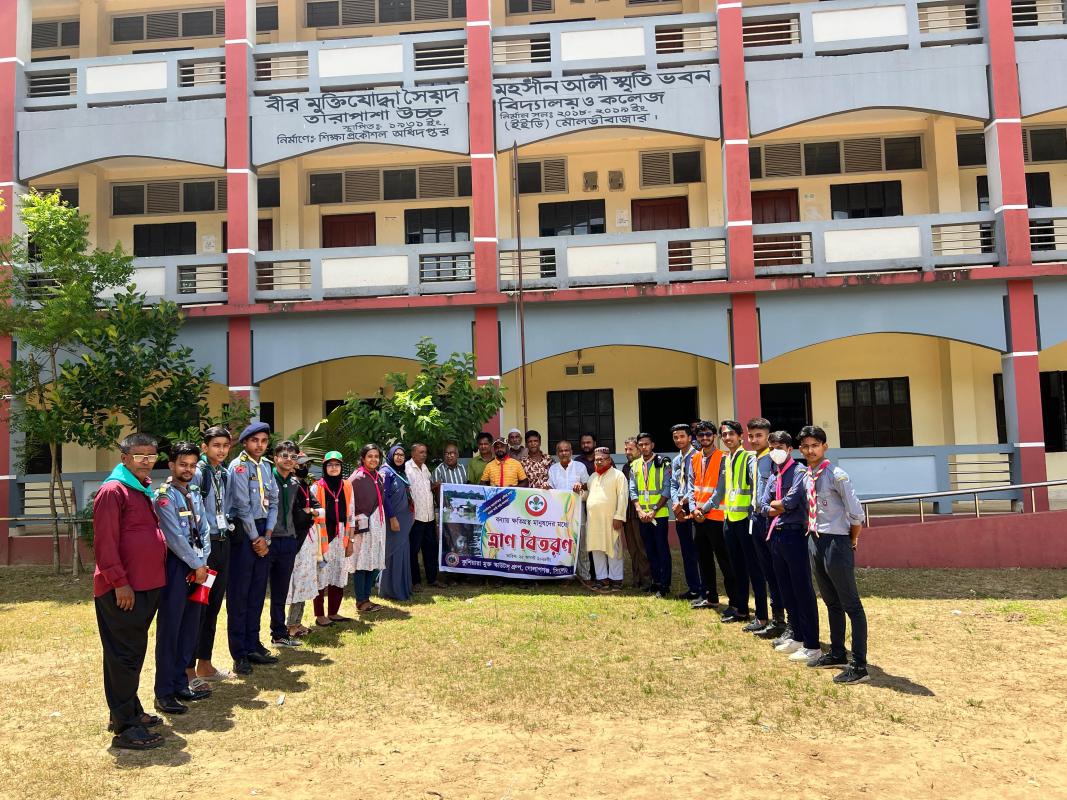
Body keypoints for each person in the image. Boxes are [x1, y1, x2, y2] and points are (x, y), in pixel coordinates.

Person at [93, 433, 169, 750]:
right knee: (123, 655)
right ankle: (125, 727)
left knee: (132, 652)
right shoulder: (113, 491)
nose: (146, 461)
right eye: (139, 455)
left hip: (146, 585)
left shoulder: (140, 487)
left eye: (151, 455)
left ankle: (129, 710)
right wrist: (119, 582)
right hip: (123, 589)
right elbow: (105, 543)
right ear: (124, 457)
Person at [796, 425, 869, 684]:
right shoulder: (806, 475)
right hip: (815, 538)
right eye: (805, 446)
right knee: (830, 601)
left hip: (836, 541)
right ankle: (837, 652)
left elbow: (856, 514)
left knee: (851, 604)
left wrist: (851, 539)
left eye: (815, 445)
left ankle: (859, 665)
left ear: (824, 447)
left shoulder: (837, 475)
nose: (810, 450)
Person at [153, 441, 213, 716]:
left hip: (199, 566)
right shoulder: (164, 496)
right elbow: (174, 537)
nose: (187, 470)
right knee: (171, 630)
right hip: (177, 568)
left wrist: (203, 562)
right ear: (171, 465)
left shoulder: (194, 493)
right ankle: (164, 692)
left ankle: (180, 683)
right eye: (182, 464)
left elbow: (205, 529)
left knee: (190, 626)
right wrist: (196, 564)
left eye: (192, 465)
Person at [762, 431, 822, 663]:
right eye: (771, 447)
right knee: (786, 587)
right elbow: (762, 504)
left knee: (802, 589)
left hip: (794, 534)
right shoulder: (774, 474)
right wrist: (775, 506)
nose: (775, 451)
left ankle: (812, 644)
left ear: (789, 449)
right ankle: (797, 635)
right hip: (776, 534)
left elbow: (792, 501)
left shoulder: (798, 472)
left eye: (779, 447)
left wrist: (775, 505)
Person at [226, 421, 280, 676]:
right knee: (240, 594)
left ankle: (253, 644)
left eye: (264, 441)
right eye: (254, 441)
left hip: (263, 533)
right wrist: (256, 538)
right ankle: (239, 653)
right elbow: (242, 506)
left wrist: (267, 536)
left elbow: (274, 502)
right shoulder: (238, 467)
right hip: (244, 533)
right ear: (245, 443)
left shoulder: (267, 467)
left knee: (258, 591)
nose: (259, 445)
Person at [187, 426, 233, 687]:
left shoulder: (222, 472)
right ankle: (188, 669)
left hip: (222, 542)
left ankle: (205, 663)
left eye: (225, 445)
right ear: (204, 447)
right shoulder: (198, 472)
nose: (221, 450)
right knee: (198, 607)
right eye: (216, 445)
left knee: (213, 605)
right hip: (205, 548)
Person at [713, 419, 769, 627]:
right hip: (730, 520)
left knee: (754, 569)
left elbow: (756, 488)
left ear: (740, 437)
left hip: (746, 521)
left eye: (731, 434)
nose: (727, 438)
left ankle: (761, 616)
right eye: (724, 435)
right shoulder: (726, 459)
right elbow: (723, 490)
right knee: (737, 568)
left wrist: (754, 514)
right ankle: (742, 610)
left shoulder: (749, 458)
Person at [686, 421, 736, 612]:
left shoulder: (723, 458)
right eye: (701, 435)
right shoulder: (694, 458)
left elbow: (721, 489)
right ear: (696, 438)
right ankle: (711, 597)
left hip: (717, 518)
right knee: (703, 558)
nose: (705, 438)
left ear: (715, 436)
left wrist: (703, 509)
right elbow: (691, 486)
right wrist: (693, 509)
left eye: (708, 434)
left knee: (725, 560)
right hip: (698, 518)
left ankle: (734, 602)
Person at [266, 441, 309, 648]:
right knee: (258, 591)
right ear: (275, 458)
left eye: (293, 457)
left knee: (281, 590)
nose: (289, 460)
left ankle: (279, 633)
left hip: (288, 541)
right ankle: (252, 640)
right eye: (284, 456)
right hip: (268, 541)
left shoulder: (294, 483)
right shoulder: (267, 480)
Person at [747, 418, 786, 639]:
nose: (754, 440)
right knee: (766, 570)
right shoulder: (754, 459)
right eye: (751, 436)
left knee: (776, 571)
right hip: (756, 517)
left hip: (769, 519)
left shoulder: (773, 459)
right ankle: (773, 619)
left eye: (759, 436)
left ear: (768, 437)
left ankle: (782, 621)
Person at [311, 451, 355, 625]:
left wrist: (350, 541)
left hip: (342, 534)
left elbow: (351, 514)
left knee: (339, 572)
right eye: (330, 465)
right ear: (324, 467)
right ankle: (320, 615)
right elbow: (312, 516)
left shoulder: (347, 486)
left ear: (341, 467)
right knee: (321, 574)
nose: (334, 468)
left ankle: (334, 612)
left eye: (337, 465)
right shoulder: (317, 487)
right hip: (323, 535)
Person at [628, 432, 673, 598]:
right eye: (641, 445)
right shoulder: (635, 465)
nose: (644, 447)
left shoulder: (663, 462)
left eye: (647, 444)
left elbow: (667, 488)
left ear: (652, 445)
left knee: (662, 549)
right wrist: (639, 510)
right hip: (643, 516)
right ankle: (656, 582)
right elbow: (633, 489)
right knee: (649, 549)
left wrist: (653, 510)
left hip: (658, 514)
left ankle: (665, 584)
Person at [350, 444, 392, 613]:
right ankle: (361, 600)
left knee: (373, 561)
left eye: (376, 456)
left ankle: (367, 598)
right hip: (364, 525)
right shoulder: (357, 478)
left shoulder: (378, 476)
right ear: (363, 458)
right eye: (370, 456)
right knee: (362, 562)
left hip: (377, 523)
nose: (373, 459)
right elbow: (350, 503)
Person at [284, 454, 321, 638]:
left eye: (307, 464)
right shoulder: (291, 486)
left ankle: (297, 622)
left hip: (308, 539)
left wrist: (311, 511)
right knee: (297, 582)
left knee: (305, 581)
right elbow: (297, 515)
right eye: (301, 465)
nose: (305, 467)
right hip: (296, 540)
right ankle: (290, 624)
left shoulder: (305, 485)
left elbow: (319, 508)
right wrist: (310, 513)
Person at [585, 447, 629, 591]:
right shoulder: (592, 477)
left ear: (609, 460)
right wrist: (579, 492)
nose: (599, 462)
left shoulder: (618, 475)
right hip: (594, 521)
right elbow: (589, 495)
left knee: (613, 549)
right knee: (597, 549)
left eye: (602, 459)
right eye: (597, 459)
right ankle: (602, 578)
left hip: (611, 520)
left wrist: (619, 517)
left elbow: (623, 497)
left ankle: (616, 579)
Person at [548, 440, 591, 585]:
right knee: (563, 544)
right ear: (557, 453)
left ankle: (585, 576)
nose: (564, 453)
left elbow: (588, 486)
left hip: (578, 511)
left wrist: (581, 487)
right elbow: (551, 488)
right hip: (560, 513)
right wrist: (547, 487)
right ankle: (565, 576)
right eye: (560, 451)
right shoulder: (553, 469)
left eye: (566, 450)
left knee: (582, 544)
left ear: (571, 452)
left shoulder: (580, 467)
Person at [670, 422, 703, 601]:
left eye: (682, 436)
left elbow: (696, 484)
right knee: (686, 550)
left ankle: (704, 589)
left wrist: (683, 503)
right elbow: (674, 484)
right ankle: (693, 588)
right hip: (680, 508)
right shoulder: (677, 460)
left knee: (698, 550)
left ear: (690, 437)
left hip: (694, 507)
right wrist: (676, 503)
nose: (679, 440)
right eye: (675, 437)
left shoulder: (698, 457)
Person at [381, 445, 415, 601]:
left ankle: (403, 587)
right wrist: (392, 518)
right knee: (393, 553)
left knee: (403, 552)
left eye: (402, 454)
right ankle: (391, 590)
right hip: (393, 520)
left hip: (404, 520)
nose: (400, 457)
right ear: (390, 456)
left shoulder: (400, 472)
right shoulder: (386, 472)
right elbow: (385, 497)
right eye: (396, 454)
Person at [618, 437, 651, 590]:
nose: (627, 452)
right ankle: (636, 579)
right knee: (632, 549)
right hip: (628, 513)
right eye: (626, 449)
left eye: (631, 449)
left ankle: (647, 580)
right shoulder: (626, 467)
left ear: (639, 449)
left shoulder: (644, 465)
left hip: (640, 513)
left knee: (642, 548)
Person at [406, 443, 440, 589]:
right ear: (413, 454)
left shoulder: (425, 468)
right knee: (413, 550)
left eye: (425, 452)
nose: (424, 455)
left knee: (430, 549)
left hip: (429, 516)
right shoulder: (407, 469)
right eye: (421, 452)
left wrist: (434, 486)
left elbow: (427, 489)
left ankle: (432, 579)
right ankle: (416, 581)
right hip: (416, 517)